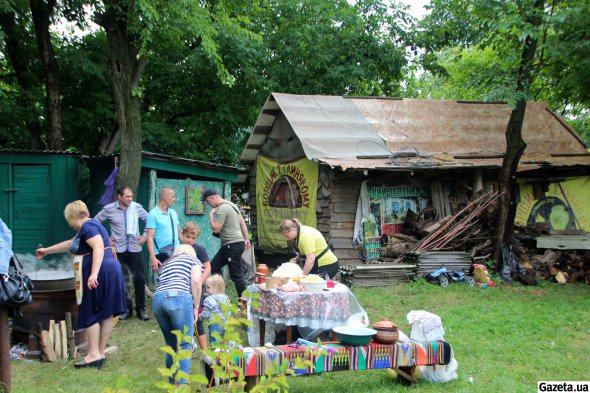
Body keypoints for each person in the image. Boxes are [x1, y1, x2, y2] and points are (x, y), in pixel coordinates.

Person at [36, 200, 126, 369]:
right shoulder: (90, 227)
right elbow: (71, 244)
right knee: (106, 312)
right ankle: (99, 352)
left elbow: (98, 247)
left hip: (101, 271)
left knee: (90, 310)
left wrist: (93, 273)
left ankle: (92, 354)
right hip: (111, 269)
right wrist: (46, 251)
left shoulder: (87, 227)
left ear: (72, 216)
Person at [94, 185, 149, 321]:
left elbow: (151, 221)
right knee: (123, 280)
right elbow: (94, 223)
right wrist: (106, 237)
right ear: (119, 196)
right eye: (127, 196)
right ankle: (126, 309)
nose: (130, 199)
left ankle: (141, 309)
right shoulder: (109, 209)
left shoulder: (136, 207)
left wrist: (145, 236)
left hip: (135, 248)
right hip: (118, 249)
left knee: (140, 279)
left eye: (131, 196)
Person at [152, 244, 202, 386]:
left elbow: (159, 284)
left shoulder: (166, 264)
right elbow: (196, 281)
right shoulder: (193, 260)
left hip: (158, 300)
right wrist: (196, 306)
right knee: (185, 343)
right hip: (179, 297)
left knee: (171, 343)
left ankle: (171, 382)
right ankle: (182, 384)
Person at [201, 189, 250, 299]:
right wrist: (246, 239)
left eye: (208, 202)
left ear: (211, 198)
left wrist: (210, 215)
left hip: (232, 245)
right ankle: (220, 295)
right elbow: (243, 224)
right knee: (214, 266)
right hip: (233, 244)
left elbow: (216, 229)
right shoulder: (232, 205)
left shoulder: (222, 208)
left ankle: (244, 303)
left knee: (236, 275)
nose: (209, 205)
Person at [181, 222, 211, 353]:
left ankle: (205, 351)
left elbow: (208, 267)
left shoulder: (199, 250)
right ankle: (189, 347)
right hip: (183, 289)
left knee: (196, 318)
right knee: (184, 317)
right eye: (187, 237)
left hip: (196, 290)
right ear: (182, 235)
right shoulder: (180, 249)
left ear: (197, 238)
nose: (189, 240)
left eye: (193, 238)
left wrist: (199, 282)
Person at [147, 187, 184, 273]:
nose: (174, 199)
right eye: (172, 196)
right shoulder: (153, 214)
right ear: (165, 197)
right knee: (166, 280)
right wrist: (153, 258)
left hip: (176, 252)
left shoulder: (173, 212)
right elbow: (149, 238)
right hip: (161, 253)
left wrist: (189, 247)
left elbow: (179, 233)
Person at [200, 274, 230, 347]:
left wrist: (200, 318)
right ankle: (225, 356)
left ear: (216, 288)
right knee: (225, 342)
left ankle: (215, 356)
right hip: (225, 323)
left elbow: (206, 313)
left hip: (215, 323)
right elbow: (228, 311)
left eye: (208, 287)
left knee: (215, 342)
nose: (206, 289)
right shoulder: (225, 298)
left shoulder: (209, 299)